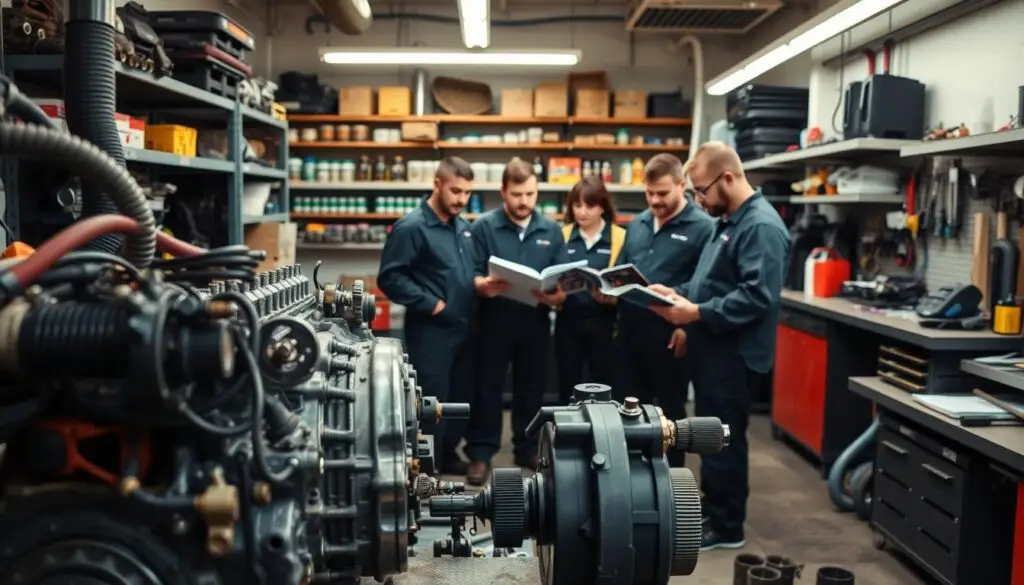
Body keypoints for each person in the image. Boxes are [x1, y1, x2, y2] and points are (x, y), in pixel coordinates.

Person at [649, 141, 790, 551]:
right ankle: (712, 511)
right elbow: (710, 283)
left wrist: (696, 313)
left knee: (724, 438)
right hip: (713, 352)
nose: (698, 199)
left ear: (728, 178)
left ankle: (727, 527)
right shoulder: (727, 220)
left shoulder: (760, 226)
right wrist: (674, 293)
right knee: (712, 437)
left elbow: (757, 296)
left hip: (735, 356)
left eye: (701, 191)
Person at [597, 153, 713, 468]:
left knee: (670, 414)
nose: (654, 200)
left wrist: (686, 328)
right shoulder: (638, 223)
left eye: (662, 193)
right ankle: (631, 475)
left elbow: (707, 283)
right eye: (649, 193)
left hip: (670, 333)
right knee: (628, 408)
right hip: (630, 332)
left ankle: (672, 481)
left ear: (681, 184)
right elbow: (623, 269)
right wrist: (609, 289)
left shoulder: (704, 228)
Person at [464, 158, 566, 485]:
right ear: (503, 192)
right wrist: (480, 285)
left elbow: (561, 277)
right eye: (517, 194)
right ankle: (480, 453)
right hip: (493, 319)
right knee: (486, 388)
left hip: (535, 320)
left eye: (531, 194)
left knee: (531, 389)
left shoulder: (550, 229)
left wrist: (559, 296)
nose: (524, 202)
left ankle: (526, 448)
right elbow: (471, 274)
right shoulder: (483, 227)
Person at [377, 157, 477, 476]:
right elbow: (390, 278)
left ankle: (446, 455)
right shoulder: (412, 227)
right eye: (456, 191)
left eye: (467, 194)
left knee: (458, 394)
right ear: (437, 184)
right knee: (431, 400)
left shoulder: (462, 226)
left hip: (463, 326)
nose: (461, 200)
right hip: (431, 330)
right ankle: (426, 467)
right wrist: (432, 304)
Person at [553, 177, 626, 403]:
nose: (582, 212)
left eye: (590, 205)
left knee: (604, 386)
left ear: (602, 206)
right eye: (577, 205)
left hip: (606, 324)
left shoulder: (620, 237)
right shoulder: (561, 235)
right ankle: (568, 436)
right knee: (568, 386)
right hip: (567, 322)